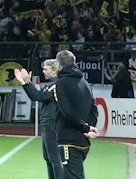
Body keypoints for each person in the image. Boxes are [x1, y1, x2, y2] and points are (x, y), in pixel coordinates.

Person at [53, 50, 99, 179]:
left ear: (59, 64)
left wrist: (85, 127)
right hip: (83, 140)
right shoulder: (85, 83)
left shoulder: (61, 83)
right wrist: (89, 127)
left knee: (74, 176)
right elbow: (93, 109)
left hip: (68, 139)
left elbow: (67, 111)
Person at [13, 59, 62, 179]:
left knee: (54, 158)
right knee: (49, 158)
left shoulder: (57, 85)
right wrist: (27, 82)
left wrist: (25, 83)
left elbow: (37, 96)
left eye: (46, 69)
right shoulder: (50, 85)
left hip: (52, 124)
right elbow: (38, 95)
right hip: (47, 123)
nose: (43, 71)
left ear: (54, 70)